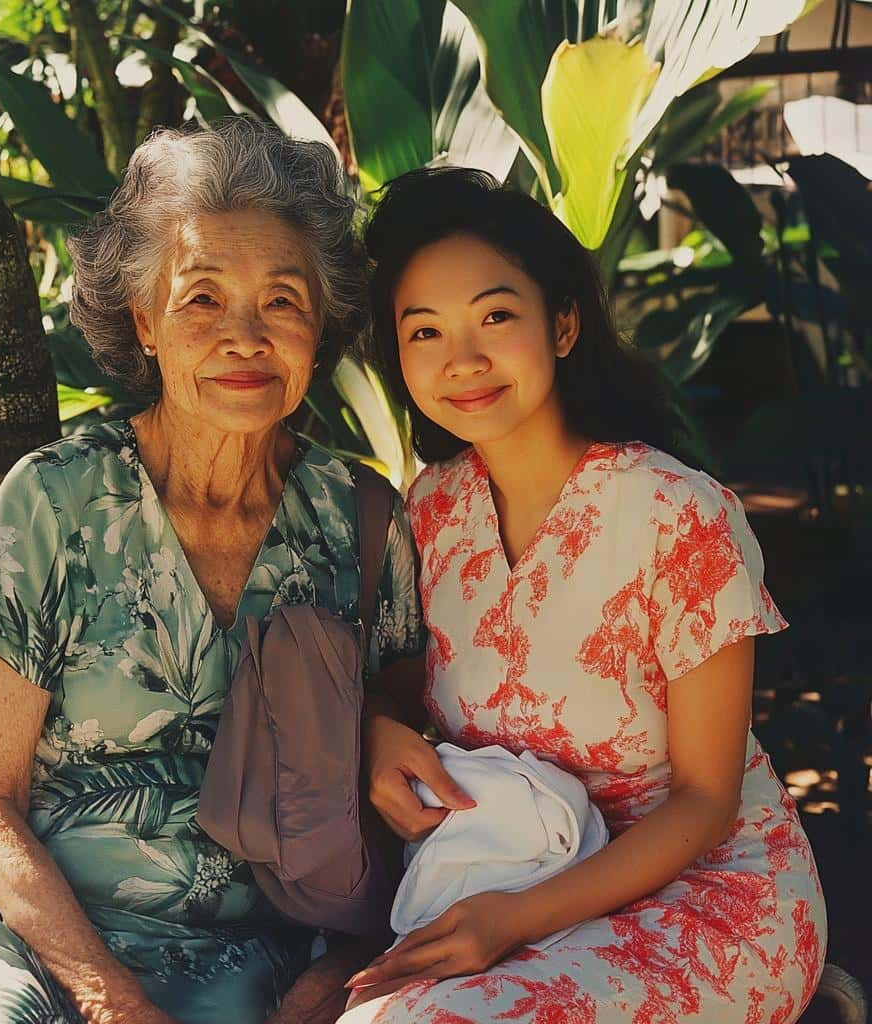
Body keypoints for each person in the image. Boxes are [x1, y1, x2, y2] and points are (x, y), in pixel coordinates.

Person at [0, 119, 424, 1024]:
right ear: (145, 322)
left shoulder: (357, 519)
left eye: (282, 300)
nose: (246, 337)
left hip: (263, 951)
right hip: (21, 924)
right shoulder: (60, 500)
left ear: (320, 325)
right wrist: (107, 998)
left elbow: (394, 797)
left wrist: (339, 975)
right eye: (202, 299)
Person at [345, 167, 826, 1023]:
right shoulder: (429, 513)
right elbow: (403, 689)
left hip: (704, 895)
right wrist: (382, 734)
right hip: (509, 869)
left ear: (562, 324)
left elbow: (708, 800)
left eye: (496, 316)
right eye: (425, 332)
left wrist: (513, 921)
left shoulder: (678, 514)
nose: (463, 360)